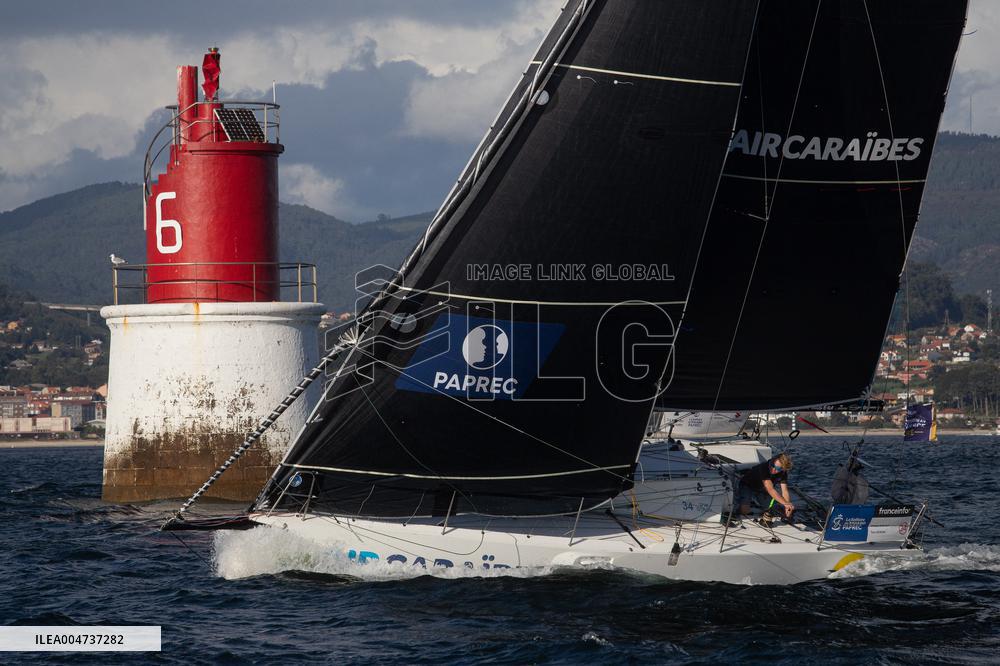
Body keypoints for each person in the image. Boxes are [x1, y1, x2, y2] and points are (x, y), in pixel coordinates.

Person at [737, 452, 795, 518]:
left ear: (783, 469)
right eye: (773, 466)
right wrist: (785, 503)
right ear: (772, 460)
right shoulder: (764, 467)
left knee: (774, 510)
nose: (774, 470)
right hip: (747, 485)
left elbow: (784, 491)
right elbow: (770, 490)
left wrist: (787, 506)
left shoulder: (783, 473)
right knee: (744, 511)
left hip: (761, 489)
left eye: (778, 469)